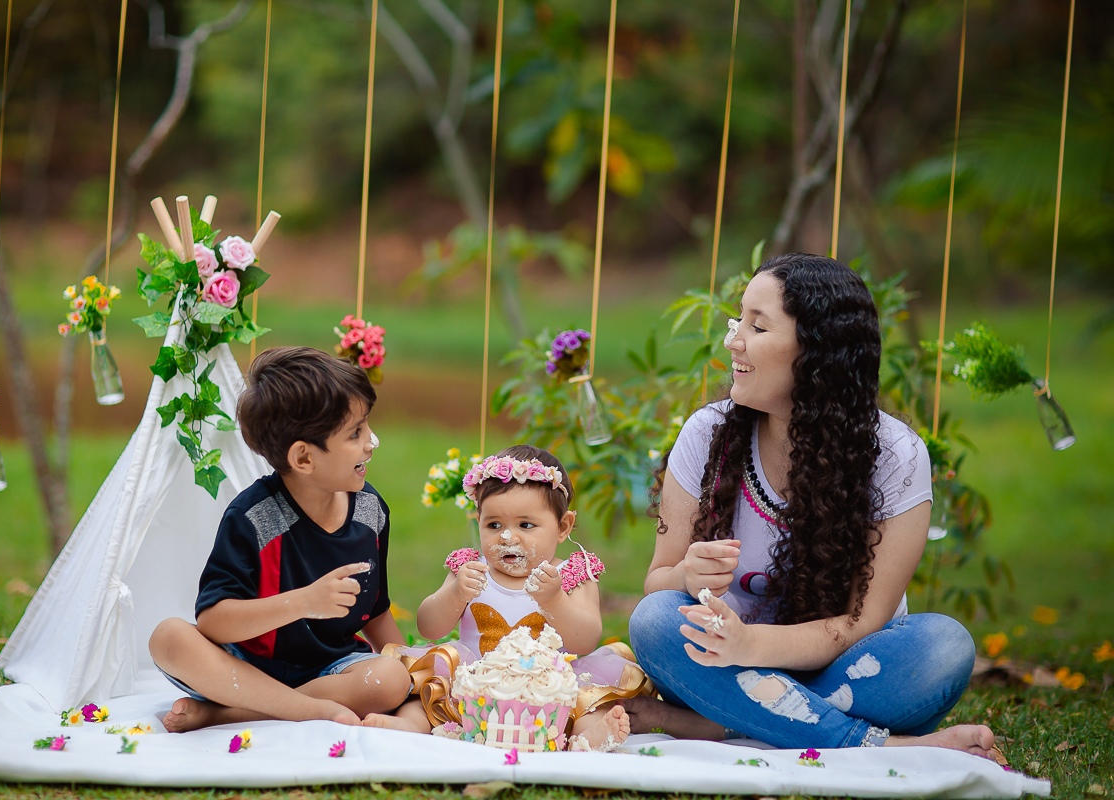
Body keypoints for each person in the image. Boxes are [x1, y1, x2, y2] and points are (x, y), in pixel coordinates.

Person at [624, 254, 997, 759]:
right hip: (728, 667)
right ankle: (876, 742)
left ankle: (720, 723)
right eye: (739, 321)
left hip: (843, 668)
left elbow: (861, 624)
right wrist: (686, 576)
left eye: (757, 327)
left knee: (944, 647)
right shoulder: (707, 436)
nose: (733, 340)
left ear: (816, 352)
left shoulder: (895, 455)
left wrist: (751, 645)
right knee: (655, 618)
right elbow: (657, 582)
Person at [150, 346, 411, 732]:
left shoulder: (371, 511)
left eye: (367, 426)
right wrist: (304, 602)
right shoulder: (252, 517)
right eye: (355, 433)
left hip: (332, 671)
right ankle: (308, 709)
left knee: (392, 679)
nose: (372, 441)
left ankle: (233, 715)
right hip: (244, 669)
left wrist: (411, 663)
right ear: (304, 459)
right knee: (168, 637)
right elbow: (214, 622)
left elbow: (376, 610)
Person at [363, 445, 652, 751]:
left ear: (563, 526)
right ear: (479, 521)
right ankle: (410, 724)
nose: (507, 537)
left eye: (526, 525)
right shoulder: (470, 570)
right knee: (432, 691)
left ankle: (591, 733)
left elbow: (586, 640)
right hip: (474, 688)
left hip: (550, 693)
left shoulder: (571, 575)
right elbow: (428, 627)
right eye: (494, 525)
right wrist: (455, 594)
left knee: (587, 698)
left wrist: (555, 601)